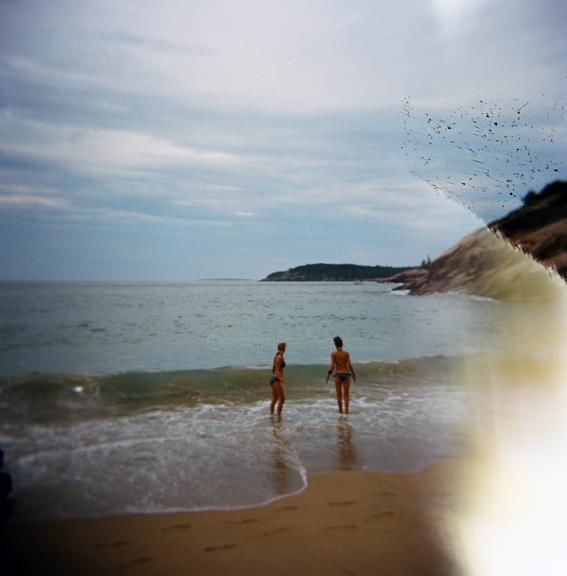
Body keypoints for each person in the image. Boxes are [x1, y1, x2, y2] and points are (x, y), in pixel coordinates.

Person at [325, 336, 356, 414]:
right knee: (346, 395)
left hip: (338, 375)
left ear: (335, 345)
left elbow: (332, 367)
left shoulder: (333, 354)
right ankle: (347, 412)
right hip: (346, 374)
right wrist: (353, 374)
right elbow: (349, 365)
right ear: (342, 344)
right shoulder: (346, 354)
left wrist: (327, 377)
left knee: (339, 395)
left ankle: (340, 412)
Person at [269, 341, 287, 416]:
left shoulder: (277, 355)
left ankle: (271, 416)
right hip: (276, 379)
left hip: (274, 379)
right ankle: (279, 417)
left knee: (275, 399)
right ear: (284, 348)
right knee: (282, 400)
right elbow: (276, 370)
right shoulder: (280, 357)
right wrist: (281, 381)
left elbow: (274, 369)